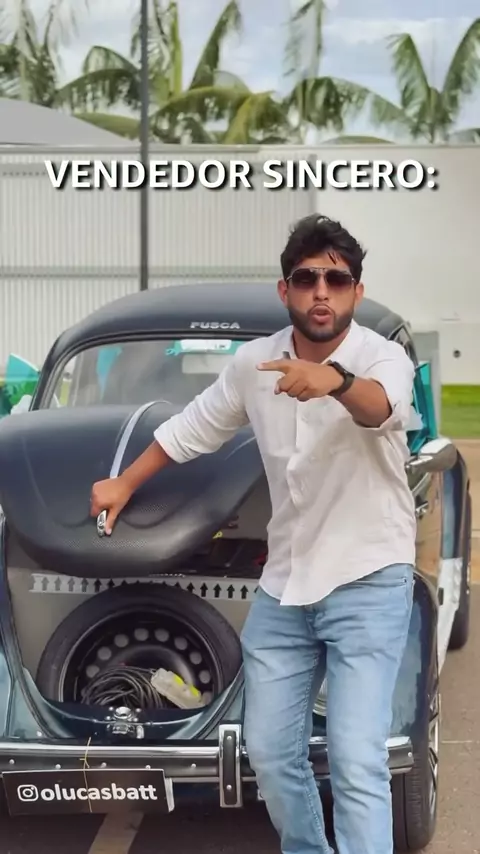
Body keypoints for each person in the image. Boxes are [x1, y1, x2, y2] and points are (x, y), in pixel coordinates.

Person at [90, 214, 416, 854]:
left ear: (355, 291)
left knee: (356, 758)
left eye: (336, 280)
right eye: (307, 278)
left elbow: (382, 406)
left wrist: (335, 382)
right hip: (286, 584)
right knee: (267, 751)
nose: (321, 291)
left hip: (370, 578)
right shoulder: (254, 363)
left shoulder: (381, 357)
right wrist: (124, 483)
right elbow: (191, 429)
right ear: (285, 290)